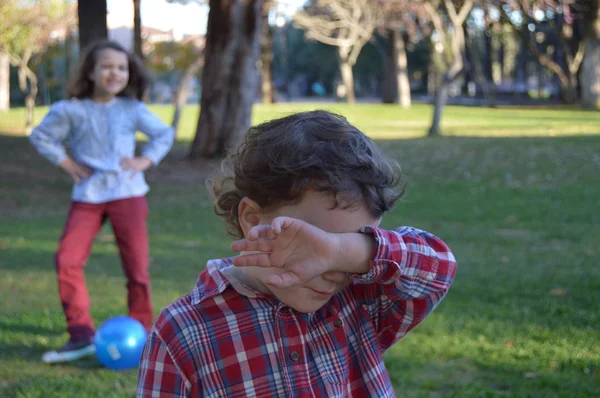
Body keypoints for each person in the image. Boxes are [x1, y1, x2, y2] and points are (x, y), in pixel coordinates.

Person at [137, 110, 456, 397]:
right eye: (316, 243)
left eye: (348, 248)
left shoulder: (360, 297)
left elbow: (438, 267)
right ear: (251, 219)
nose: (334, 271)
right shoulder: (183, 331)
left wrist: (344, 252)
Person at [29, 40, 175, 364]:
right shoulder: (71, 110)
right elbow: (41, 135)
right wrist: (66, 163)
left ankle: (143, 334)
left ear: (128, 74)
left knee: (137, 268)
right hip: (89, 195)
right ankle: (80, 335)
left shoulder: (132, 109)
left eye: (121, 67)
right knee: (67, 260)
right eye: (107, 66)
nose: (115, 73)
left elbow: (164, 134)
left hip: (128, 194)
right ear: (91, 71)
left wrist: (145, 160)